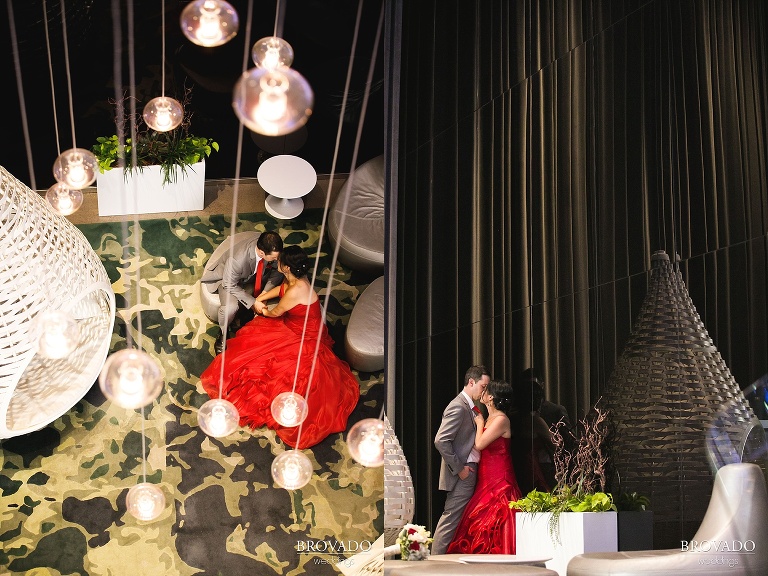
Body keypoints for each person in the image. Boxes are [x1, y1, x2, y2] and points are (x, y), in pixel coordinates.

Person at [199, 245, 360, 448]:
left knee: (267, 367)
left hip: (302, 336)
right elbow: (282, 288)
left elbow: (275, 314)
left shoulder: (298, 290)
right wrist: (262, 298)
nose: (277, 263)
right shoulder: (294, 279)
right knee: (253, 342)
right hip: (293, 325)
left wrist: (261, 309)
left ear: (285, 267)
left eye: (280, 262)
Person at [446, 379, 523, 554]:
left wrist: (479, 423)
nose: (483, 393)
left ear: (491, 397)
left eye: (486, 391)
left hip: (499, 475)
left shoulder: (501, 419)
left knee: (498, 512)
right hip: (486, 473)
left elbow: (480, 443)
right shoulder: (491, 418)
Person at [431, 365, 490, 555]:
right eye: (483, 386)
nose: (484, 391)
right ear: (471, 382)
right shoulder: (458, 406)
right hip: (462, 473)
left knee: (457, 520)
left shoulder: (468, 406)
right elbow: (441, 440)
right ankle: (434, 565)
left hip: (468, 469)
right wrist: (459, 469)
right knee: (451, 519)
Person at [201, 230, 285, 354]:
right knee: (230, 307)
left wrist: (264, 293)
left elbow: (278, 272)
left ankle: (245, 315)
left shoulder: (269, 250)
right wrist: (253, 302)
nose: (276, 259)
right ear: (262, 253)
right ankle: (223, 334)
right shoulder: (237, 260)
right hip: (227, 279)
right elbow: (229, 284)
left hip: (249, 275)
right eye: (273, 258)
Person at [511, 377, 556, 495]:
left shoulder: (511, 418)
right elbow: (555, 446)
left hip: (514, 466)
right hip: (532, 467)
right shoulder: (535, 421)